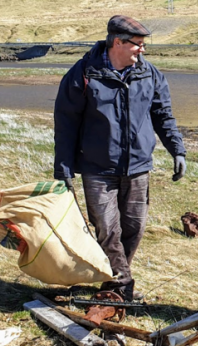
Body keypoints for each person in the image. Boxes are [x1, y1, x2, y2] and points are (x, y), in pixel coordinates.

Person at [53, 15, 187, 301]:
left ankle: (113, 283)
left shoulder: (149, 74)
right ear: (117, 42)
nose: (142, 50)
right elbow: (66, 122)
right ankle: (123, 286)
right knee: (107, 229)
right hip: (97, 169)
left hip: (138, 168)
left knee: (134, 229)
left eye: (142, 44)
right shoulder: (84, 73)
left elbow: (163, 115)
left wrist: (177, 149)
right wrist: (63, 166)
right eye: (137, 44)